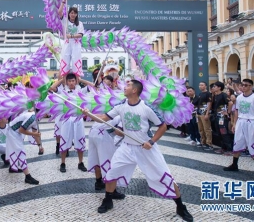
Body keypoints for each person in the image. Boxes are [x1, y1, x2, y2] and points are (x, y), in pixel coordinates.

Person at [82, 80, 193, 221]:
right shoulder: (121, 105)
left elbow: (163, 126)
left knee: (164, 176)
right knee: (111, 172)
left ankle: (180, 207)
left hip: (145, 148)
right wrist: (89, 114)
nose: (124, 87)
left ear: (134, 90)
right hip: (127, 148)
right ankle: (108, 200)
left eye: (128, 85)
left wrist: (151, 142)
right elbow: (104, 118)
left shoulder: (146, 107)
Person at [50, 73, 87, 173]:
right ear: (67, 82)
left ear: (75, 81)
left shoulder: (80, 91)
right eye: (69, 81)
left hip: (78, 119)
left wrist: (81, 80)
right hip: (66, 119)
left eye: (73, 81)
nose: (71, 83)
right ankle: (63, 163)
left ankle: (80, 162)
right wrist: (62, 80)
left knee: (80, 140)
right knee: (64, 140)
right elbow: (52, 88)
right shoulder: (62, 91)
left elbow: (93, 86)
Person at [224, 79, 254, 171]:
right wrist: (234, 124)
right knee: (238, 142)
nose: (243, 87)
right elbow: (237, 111)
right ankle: (234, 164)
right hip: (241, 121)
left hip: (251, 121)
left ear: (251, 86)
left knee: (252, 144)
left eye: (246, 85)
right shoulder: (239, 97)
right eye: (243, 85)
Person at [6, 110, 41, 184]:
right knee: (20, 152)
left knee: (16, 150)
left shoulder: (36, 119)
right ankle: (28, 177)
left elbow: (35, 133)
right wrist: (34, 133)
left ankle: (13, 167)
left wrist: (39, 146)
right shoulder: (32, 118)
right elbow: (21, 130)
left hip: (16, 132)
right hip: (13, 131)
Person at [58, 0, 84, 77]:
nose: (73, 14)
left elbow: (80, 34)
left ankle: (76, 84)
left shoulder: (79, 23)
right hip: (67, 43)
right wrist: (64, 0)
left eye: (75, 13)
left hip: (76, 44)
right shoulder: (65, 21)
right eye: (71, 13)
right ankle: (64, 83)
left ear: (76, 14)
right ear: (69, 14)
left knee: (76, 63)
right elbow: (59, 12)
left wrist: (72, 36)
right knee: (65, 63)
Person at [211, 81, 233, 154]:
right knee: (219, 133)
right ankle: (223, 148)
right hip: (216, 116)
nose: (213, 88)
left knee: (224, 133)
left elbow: (230, 103)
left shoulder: (223, 95)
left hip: (222, 117)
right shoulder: (215, 95)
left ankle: (229, 149)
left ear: (219, 87)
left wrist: (228, 112)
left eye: (214, 86)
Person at [196, 82, 212, 150]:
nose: (200, 86)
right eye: (199, 85)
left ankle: (209, 143)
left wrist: (207, 113)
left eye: (202, 85)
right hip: (199, 113)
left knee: (207, 129)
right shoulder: (200, 94)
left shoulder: (208, 94)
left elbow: (209, 103)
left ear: (205, 86)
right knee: (201, 129)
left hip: (204, 113)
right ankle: (203, 141)